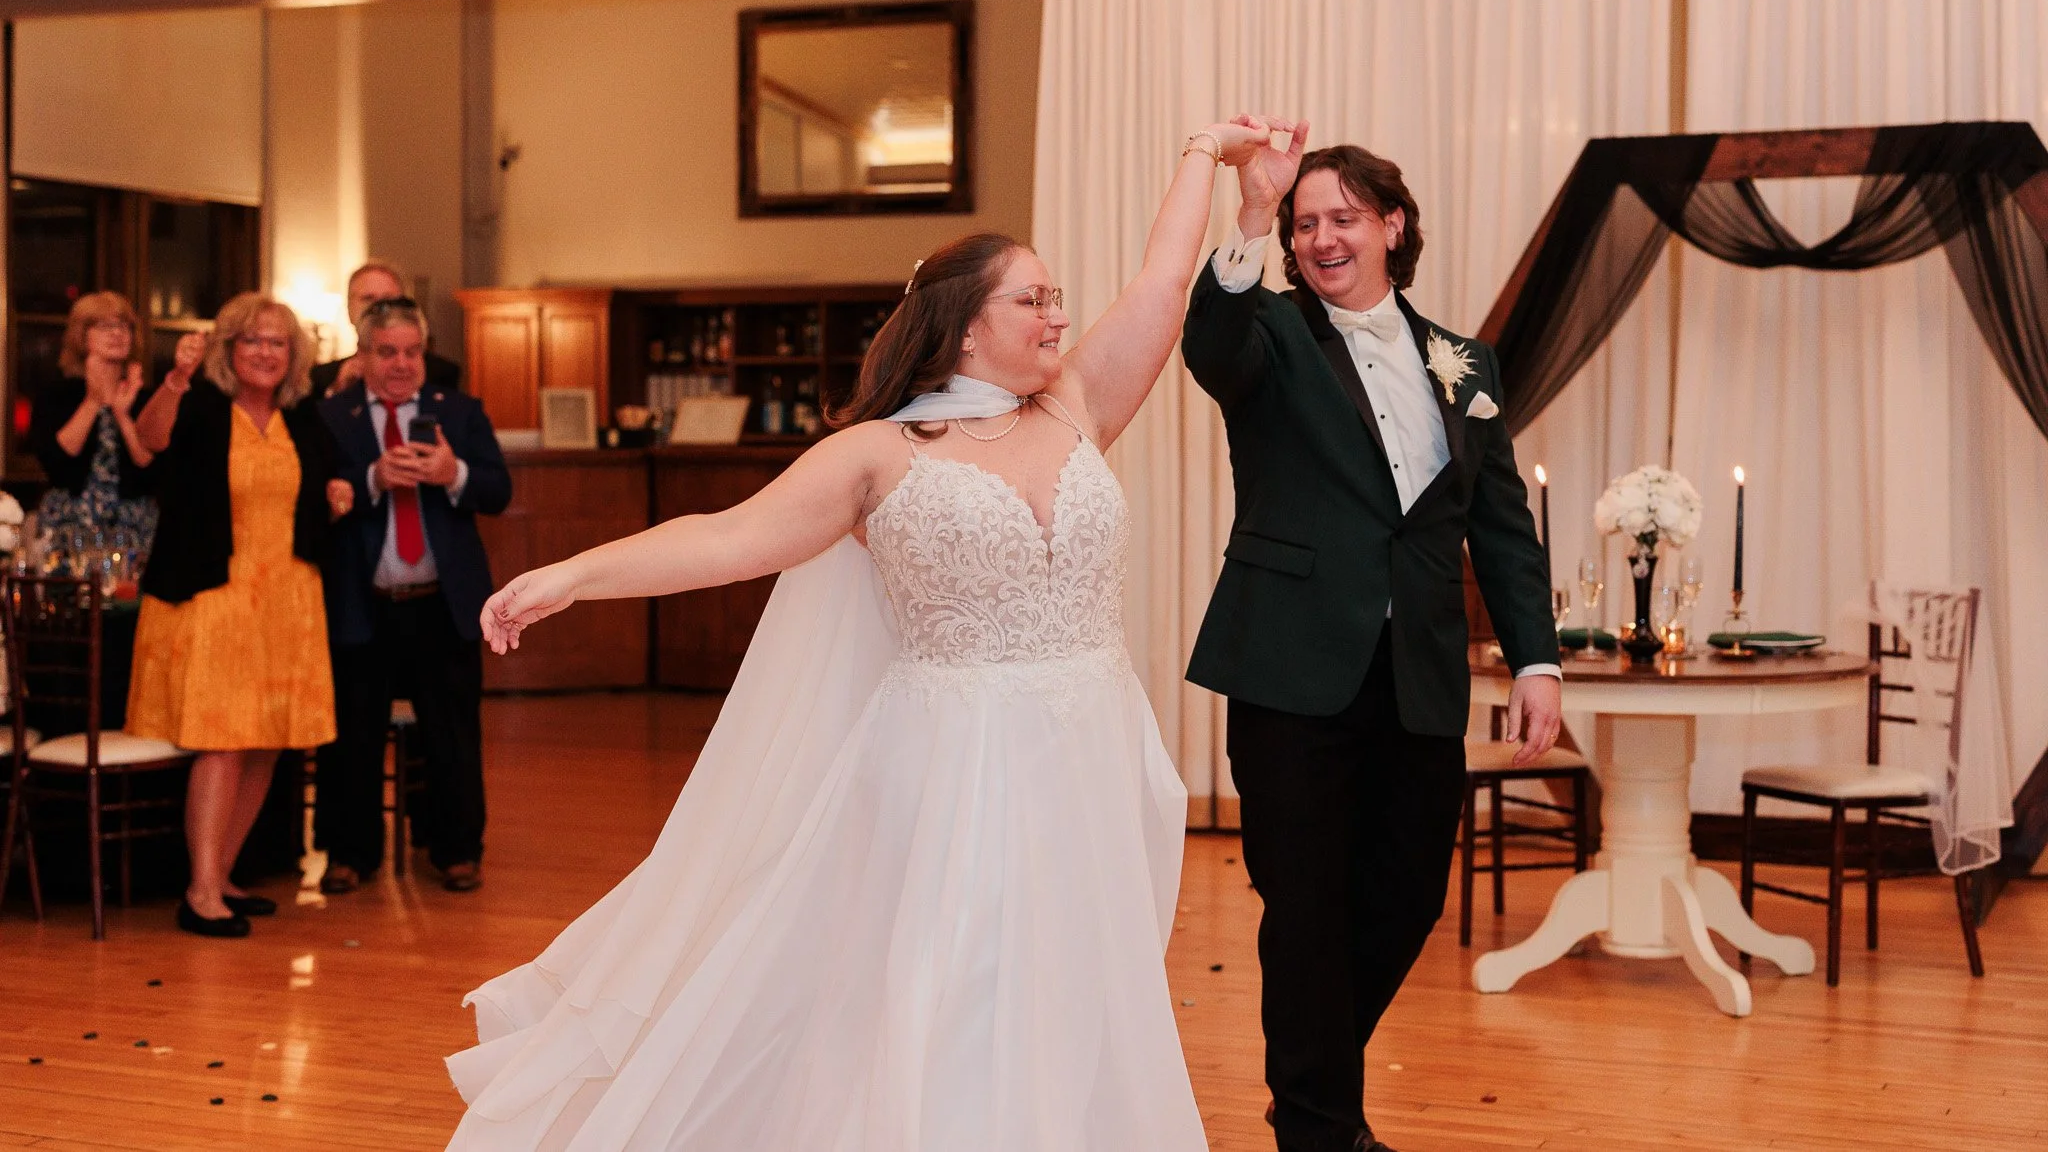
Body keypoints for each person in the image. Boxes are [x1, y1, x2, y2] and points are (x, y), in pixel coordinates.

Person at [443, 115, 1296, 1149]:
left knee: (1076, 984)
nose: (1059, 316)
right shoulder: (878, 454)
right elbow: (727, 537)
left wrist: (1206, 157)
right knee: (956, 990)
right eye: (1032, 299)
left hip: (1090, 749)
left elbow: (1162, 285)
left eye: (1059, 297)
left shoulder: (1076, 404)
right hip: (950, 764)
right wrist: (574, 575)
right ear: (965, 326)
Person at [1181, 144, 1564, 1152]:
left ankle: (1308, 1087)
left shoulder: (1466, 363)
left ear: (1393, 224)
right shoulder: (1269, 331)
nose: (1321, 239)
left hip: (1418, 675)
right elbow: (1211, 347)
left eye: (1342, 218)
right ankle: (1321, 1130)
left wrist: (1536, 660)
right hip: (1289, 670)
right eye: (1305, 223)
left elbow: (1501, 528)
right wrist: (1249, 216)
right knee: (1302, 905)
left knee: (1408, 896)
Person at [126, 294, 343, 939]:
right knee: (222, 743)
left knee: (265, 744)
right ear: (228, 350)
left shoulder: (301, 415)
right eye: (252, 340)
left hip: (287, 598)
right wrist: (174, 379)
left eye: (277, 342)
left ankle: (220, 875)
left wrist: (337, 491)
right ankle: (199, 893)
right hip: (214, 593)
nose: (265, 353)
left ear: (293, 355)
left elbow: (328, 477)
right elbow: (148, 442)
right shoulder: (199, 404)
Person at [316, 296, 511, 896]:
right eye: (387, 352)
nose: (401, 364)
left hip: (441, 603)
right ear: (363, 355)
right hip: (362, 602)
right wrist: (371, 480)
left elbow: (498, 491)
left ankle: (458, 851)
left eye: (412, 352)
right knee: (353, 734)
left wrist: (454, 474)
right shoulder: (331, 416)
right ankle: (350, 854)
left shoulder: (460, 411)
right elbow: (313, 502)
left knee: (452, 734)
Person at [28, 291, 159, 557]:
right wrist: (92, 402)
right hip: (69, 527)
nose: (117, 333)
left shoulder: (146, 399)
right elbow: (56, 463)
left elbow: (152, 468)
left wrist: (122, 416)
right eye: (105, 326)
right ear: (82, 336)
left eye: (124, 326)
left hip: (135, 529)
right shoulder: (56, 396)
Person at [309, 261, 462, 399]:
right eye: (368, 298)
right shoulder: (322, 378)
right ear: (349, 308)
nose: (377, 308)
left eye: (388, 300)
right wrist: (337, 391)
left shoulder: (440, 374)